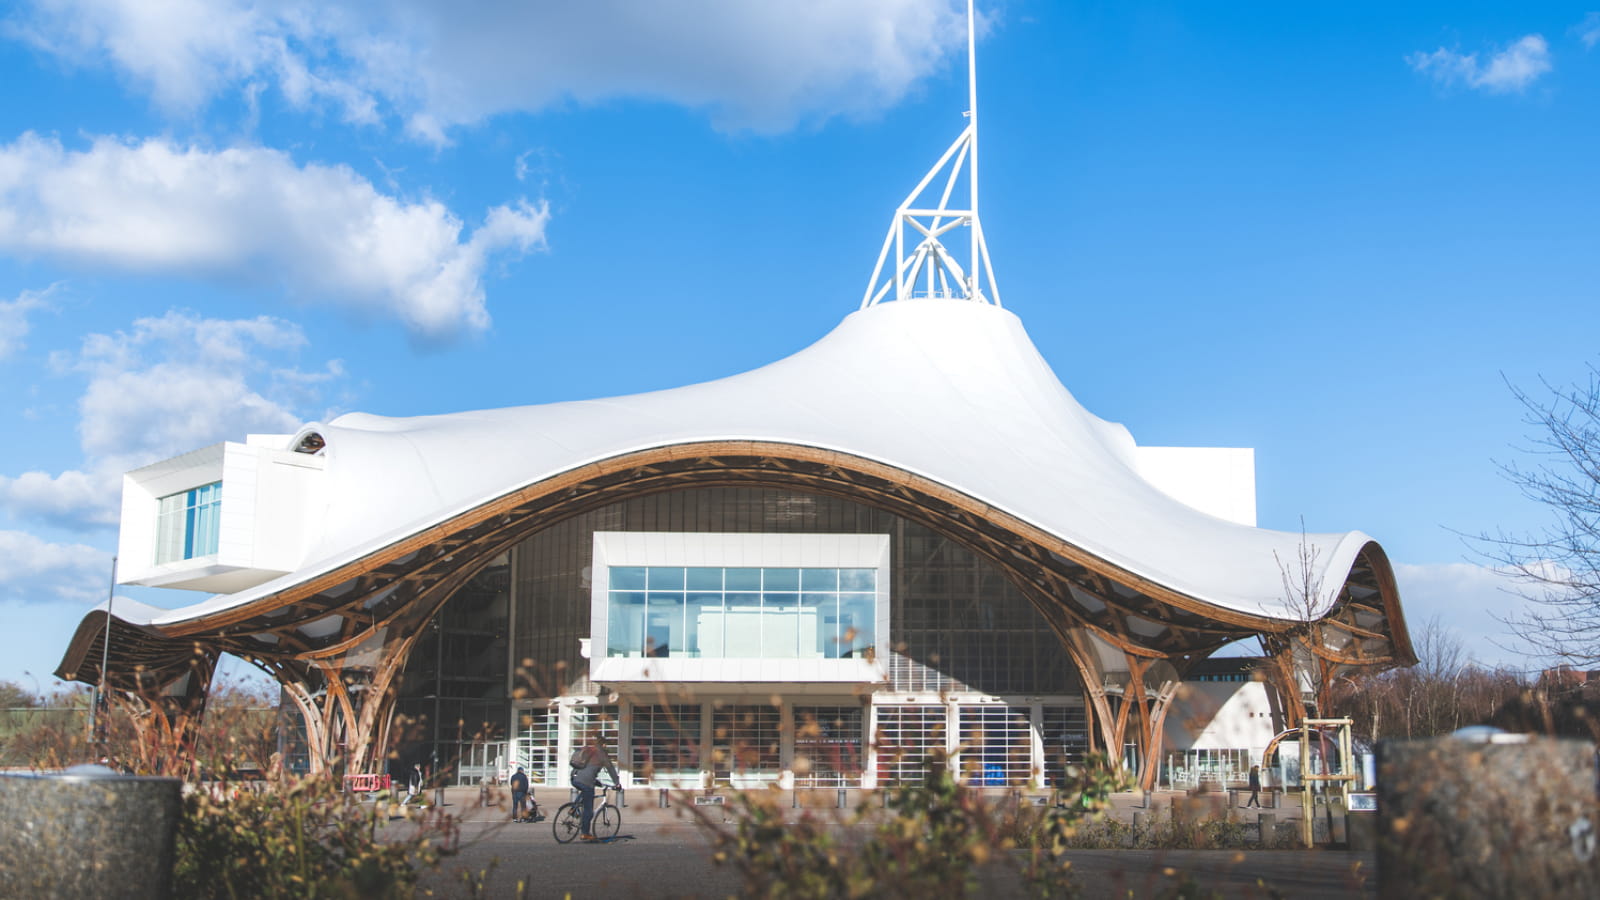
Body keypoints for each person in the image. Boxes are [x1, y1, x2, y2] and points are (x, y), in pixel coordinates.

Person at [569, 732, 621, 842]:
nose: (606, 746)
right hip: (586, 781)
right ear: (603, 745)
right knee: (589, 810)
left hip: (574, 777)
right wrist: (617, 783)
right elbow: (611, 769)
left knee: (585, 790)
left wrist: (597, 782)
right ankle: (585, 834)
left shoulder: (588, 750)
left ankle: (573, 808)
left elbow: (587, 769)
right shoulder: (601, 754)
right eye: (605, 744)